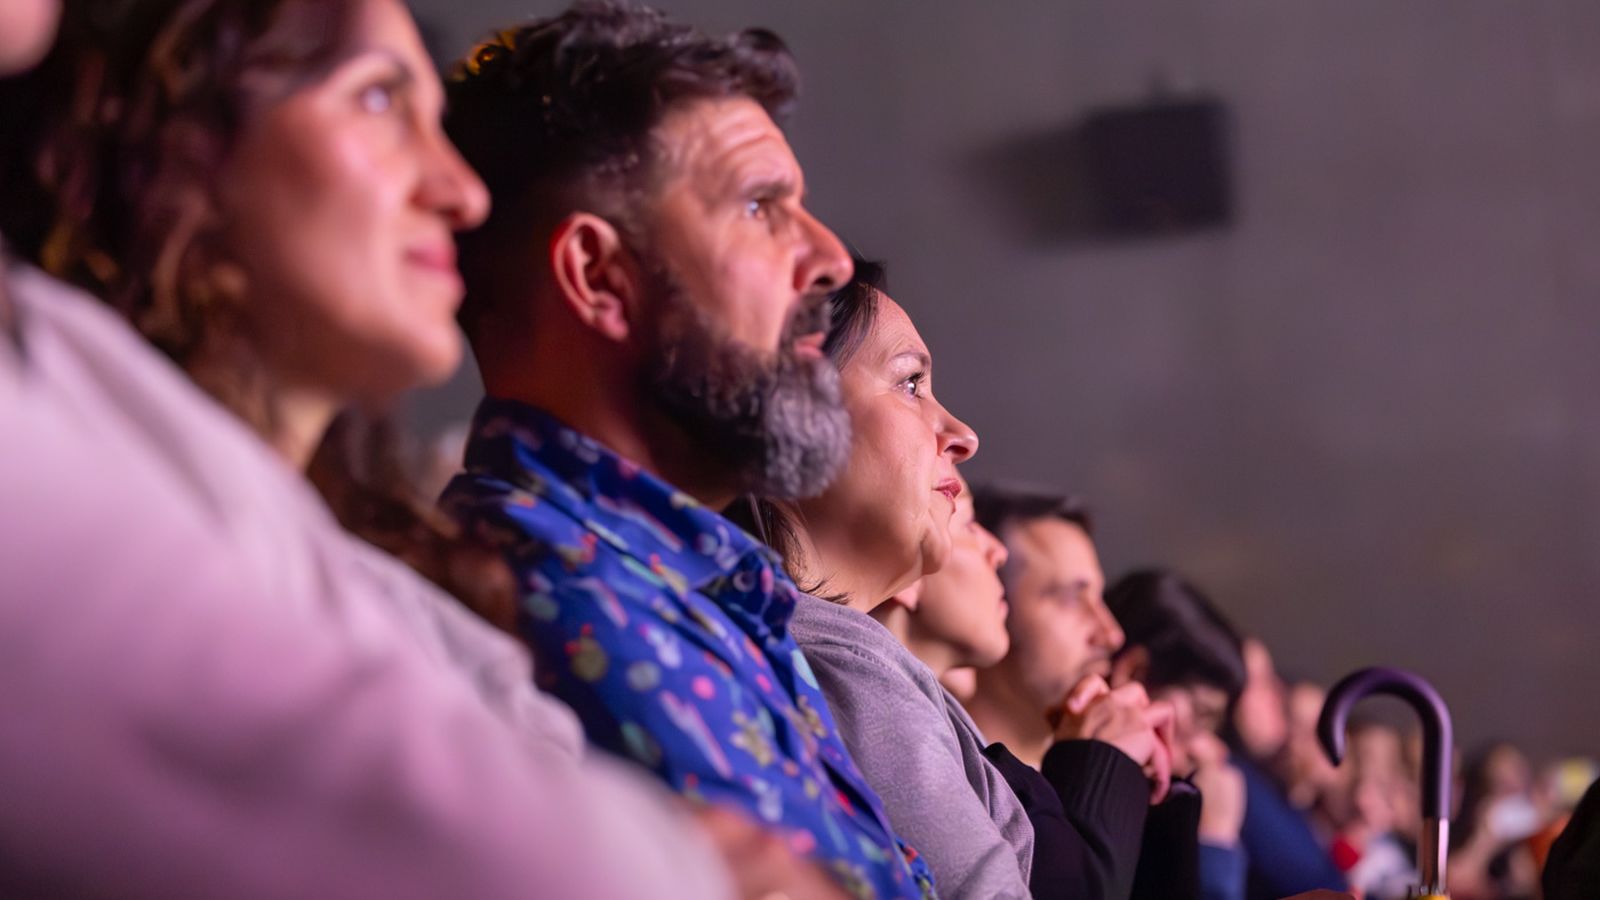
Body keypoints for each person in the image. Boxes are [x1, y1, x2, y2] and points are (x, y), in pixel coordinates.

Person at [0, 0, 818, 895]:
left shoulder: (377, 576)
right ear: (172, 139)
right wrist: (667, 862)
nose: (460, 194)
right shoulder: (58, 439)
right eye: (381, 100)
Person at [438, 4, 932, 896]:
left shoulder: (693, 583)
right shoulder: (549, 600)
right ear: (599, 276)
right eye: (758, 206)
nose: (826, 258)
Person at [731, 264, 1053, 897]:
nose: (963, 435)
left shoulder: (834, 650)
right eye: (911, 383)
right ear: (793, 419)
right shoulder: (839, 666)